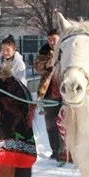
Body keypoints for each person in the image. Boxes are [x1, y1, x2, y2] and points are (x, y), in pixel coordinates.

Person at [34, 28, 64, 162]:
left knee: (64, 124)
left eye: (54, 39)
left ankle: (65, 151)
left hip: (65, 93)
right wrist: (47, 63)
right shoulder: (44, 51)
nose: (52, 42)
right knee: (51, 124)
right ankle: (55, 151)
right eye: (50, 39)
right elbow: (37, 67)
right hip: (49, 92)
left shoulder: (66, 49)